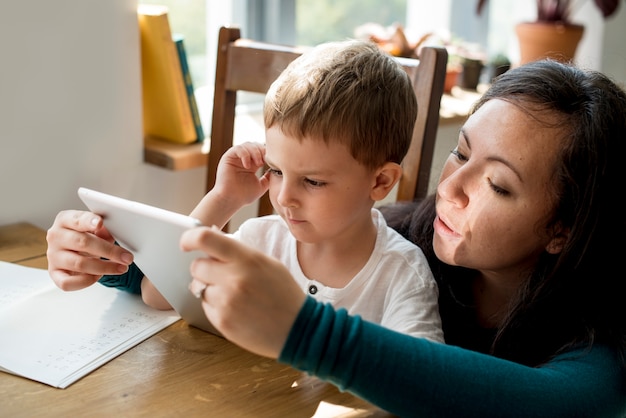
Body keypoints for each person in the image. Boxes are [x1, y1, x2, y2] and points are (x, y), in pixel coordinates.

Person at [181, 59, 626, 417]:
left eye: (496, 185)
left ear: (562, 230)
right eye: (461, 152)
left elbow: (557, 404)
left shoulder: (596, 346)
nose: (449, 188)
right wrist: (125, 262)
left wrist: (303, 329)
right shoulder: (393, 239)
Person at [46, 40, 443, 342]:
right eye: (274, 170)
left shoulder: (402, 274)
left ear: (380, 182)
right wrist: (224, 199)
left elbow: (422, 386)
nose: (283, 197)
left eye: (313, 181)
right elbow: (157, 295)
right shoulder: (259, 240)